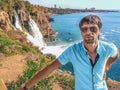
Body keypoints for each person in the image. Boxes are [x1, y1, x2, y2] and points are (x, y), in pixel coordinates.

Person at [17, 14, 119, 90]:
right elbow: (50, 68)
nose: (89, 32)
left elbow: (116, 54)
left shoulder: (108, 48)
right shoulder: (73, 51)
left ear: (99, 30)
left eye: (93, 29)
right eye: (85, 29)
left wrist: (107, 65)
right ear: (81, 32)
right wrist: (26, 87)